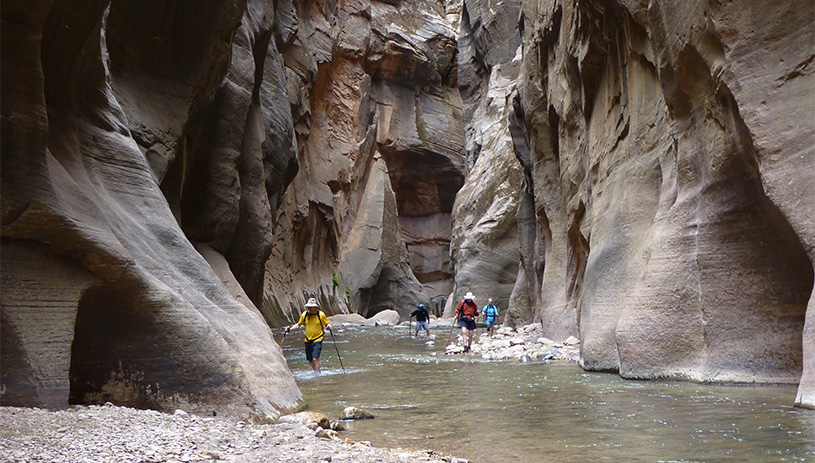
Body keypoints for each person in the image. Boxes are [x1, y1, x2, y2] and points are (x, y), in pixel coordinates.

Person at [286, 297, 333, 374]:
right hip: (307, 339)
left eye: (311, 307)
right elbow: (298, 325)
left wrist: (329, 327)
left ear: (315, 307)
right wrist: (289, 329)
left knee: (315, 359)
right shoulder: (304, 315)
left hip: (318, 338)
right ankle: (317, 372)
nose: (309, 308)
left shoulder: (320, 314)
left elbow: (327, 324)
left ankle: (317, 375)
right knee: (310, 360)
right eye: (309, 307)